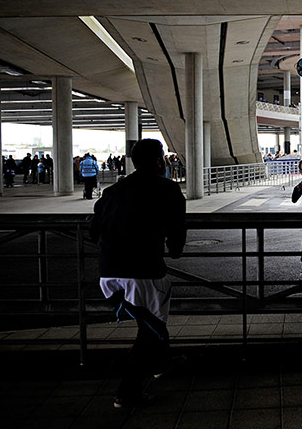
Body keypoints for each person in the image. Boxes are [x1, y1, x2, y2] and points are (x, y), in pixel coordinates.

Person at [90, 138, 186, 409]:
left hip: (108, 275)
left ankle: (161, 362)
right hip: (144, 273)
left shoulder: (112, 192)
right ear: (159, 161)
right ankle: (127, 392)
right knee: (149, 332)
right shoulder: (167, 190)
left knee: (150, 326)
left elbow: (93, 231)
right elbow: (177, 239)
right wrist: (172, 248)